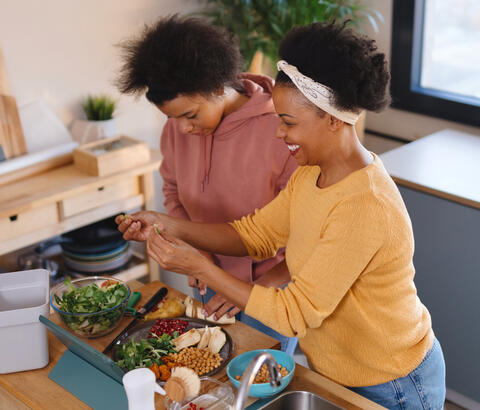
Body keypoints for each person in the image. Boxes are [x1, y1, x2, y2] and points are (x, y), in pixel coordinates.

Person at [119, 21, 447, 409]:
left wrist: (203, 269)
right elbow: (253, 234)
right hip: (335, 370)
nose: (278, 134)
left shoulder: (365, 205)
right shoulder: (311, 175)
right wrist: (167, 223)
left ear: (334, 118)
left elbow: (293, 313)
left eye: (288, 122)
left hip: (391, 381)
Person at [116, 16, 298, 353]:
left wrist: (253, 291)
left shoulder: (282, 131)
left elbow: (306, 241)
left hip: (270, 289)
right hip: (208, 278)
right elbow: (173, 192)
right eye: (172, 118)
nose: (181, 129)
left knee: (257, 387)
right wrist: (199, 256)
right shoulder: (177, 130)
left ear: (218, 87)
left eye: (190, 115)